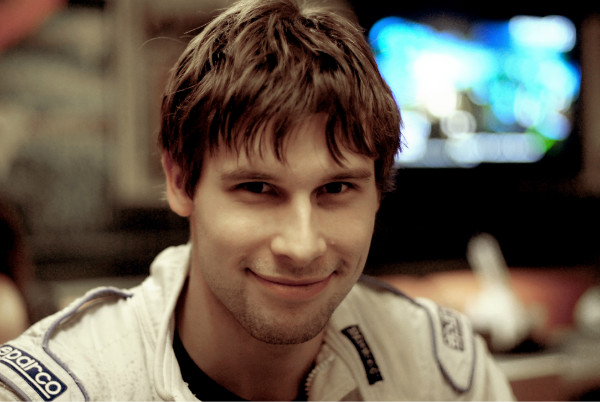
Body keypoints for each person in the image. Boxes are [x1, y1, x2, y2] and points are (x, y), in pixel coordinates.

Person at [0, 0, 515, 400]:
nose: (302, 245)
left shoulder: (441, 368)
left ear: (379, 190)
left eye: (336, 189)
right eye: (258, 189)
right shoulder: (65, 388)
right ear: (180, 182)